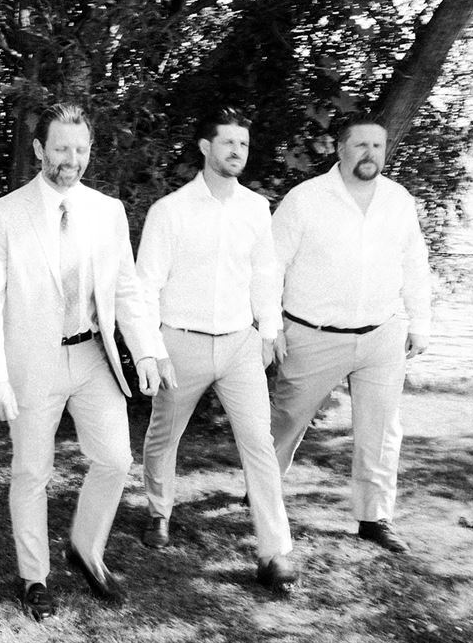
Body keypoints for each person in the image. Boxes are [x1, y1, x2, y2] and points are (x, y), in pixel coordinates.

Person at [0, 103, 162, 621]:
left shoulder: (107, 211)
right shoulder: (4, 214)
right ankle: (34, 576)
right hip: (33, 362)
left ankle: (86, 548)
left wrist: (146, 348)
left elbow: (126, 287)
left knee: (116, 459)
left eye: (80, 149)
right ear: (40, 149)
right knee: (32, 471)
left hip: (94, 355)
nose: (71, 159)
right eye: (60, 148)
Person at [135, 106, 298, 589]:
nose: (237, 151)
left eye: (243, 144)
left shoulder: (256, 208)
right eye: (228, 142)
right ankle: (159, 510)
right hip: (180, 343)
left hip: (239, 344)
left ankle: (275, 552)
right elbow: (146, 286)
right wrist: (153, 349)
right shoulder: (170, 210)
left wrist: (268, 330)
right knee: (163, 436)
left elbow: (265, 273)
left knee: (260, 444)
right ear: (206, 147)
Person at [270, 113, 431, 554]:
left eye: (377, 146)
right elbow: (271, 264)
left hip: (382, 333)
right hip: (313, 334)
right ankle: (264, 489)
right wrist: (269, 325)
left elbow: (414, 263)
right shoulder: (305, 199)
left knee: (381, 430)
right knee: (287, 420)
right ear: (340, 149)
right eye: (360, 145)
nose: (370, 153)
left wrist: (420, 322)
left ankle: (374, 518)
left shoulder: (397, 200)